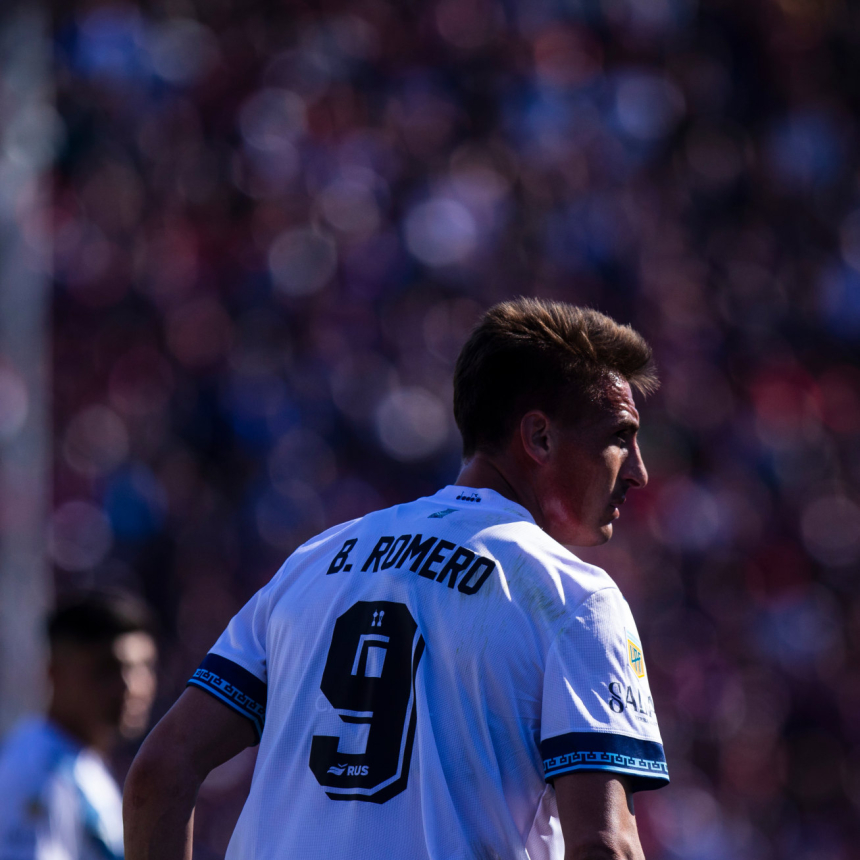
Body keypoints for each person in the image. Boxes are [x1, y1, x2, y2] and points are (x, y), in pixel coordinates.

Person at [124, 298, 668, 860]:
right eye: (619, 436)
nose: (639, 471)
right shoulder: (573, 597)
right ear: (540, 437)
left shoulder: (313, 561)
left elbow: (159, 772)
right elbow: (604, 846)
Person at [0, 593, 158, 860]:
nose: (132, 687)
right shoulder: (36, 772)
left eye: (144, 667)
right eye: (108, 669)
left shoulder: (82, 765)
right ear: (54, 673)